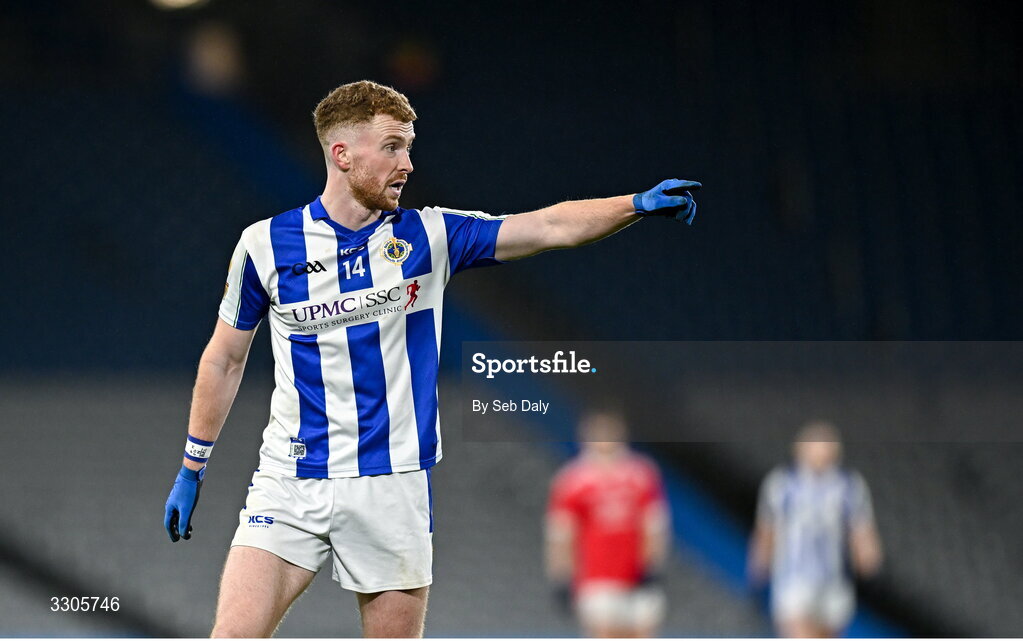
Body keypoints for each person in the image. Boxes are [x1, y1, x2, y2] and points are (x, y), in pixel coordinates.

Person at [163, 79, 700, 638]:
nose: (409, 164)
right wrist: (191, 466)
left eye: (410, 147)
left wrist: (633, 204)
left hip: (393, 485)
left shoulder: (432, 235)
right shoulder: (264, 246)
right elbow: (224, 358)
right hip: (290, 478)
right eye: (393, 146)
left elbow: (547, 226)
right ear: (342, 155)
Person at [748, 421, 883, 638]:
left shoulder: (849, 486)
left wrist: (869, 561)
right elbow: (766, 530)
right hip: (793, 580)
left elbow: (862, 530)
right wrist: (759, 566)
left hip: (835, 582)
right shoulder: (781, 484)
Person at [545, 409, 671, 637]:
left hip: (636, 577)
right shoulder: (572, 480)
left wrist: (652, 566)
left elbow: (655, 526)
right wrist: (561, 577)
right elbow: (561, 535)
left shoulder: (641, 474)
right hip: (597, 578)